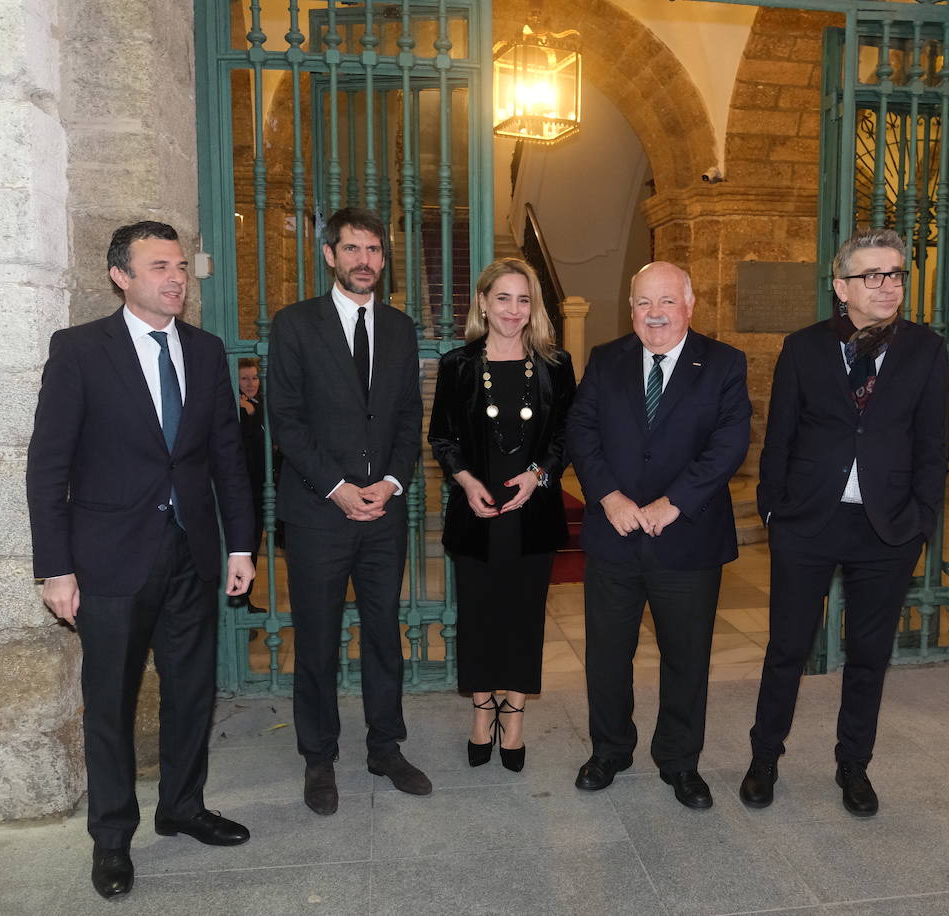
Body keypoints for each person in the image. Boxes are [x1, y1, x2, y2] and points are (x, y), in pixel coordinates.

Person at [26, 221, 256, 900]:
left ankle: (182, 807)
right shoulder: (79, 351)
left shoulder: (207, 351)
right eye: (159, 266)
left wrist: (240, 543)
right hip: (107, 563)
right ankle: (112, 840)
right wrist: (55, 567)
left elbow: (227, 460)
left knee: (190, 692)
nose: (176, 278)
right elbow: (48, 467)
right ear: (120, 276)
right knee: (109, 705)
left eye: (181, 265)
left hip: (192, 554)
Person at [740, 227, 948, 817]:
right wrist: (774, 510)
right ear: (841, 288)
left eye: (896, 274)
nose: (888, 286)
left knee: (868, 653)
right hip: (808, 520)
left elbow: (932, 444)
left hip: (888, 527)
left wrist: (921, 520)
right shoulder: (803, 347)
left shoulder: (925, 349)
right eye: (872, 276)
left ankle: (853, 765)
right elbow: (778, 436)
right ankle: (764, 758)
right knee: (786, 647)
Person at [568, 261, 751, 810]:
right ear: (631, 309)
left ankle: (679, 761)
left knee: (686, 658)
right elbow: (580, 430)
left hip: (687, 537)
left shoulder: (723, 363)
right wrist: (609, 496)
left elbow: (730, 442)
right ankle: (610, 751)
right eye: (644, 303)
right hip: (615, 534)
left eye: (667, 301)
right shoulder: (606, 360)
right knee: (606, 654)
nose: (655, 314)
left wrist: (676, 502)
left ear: (690, 305)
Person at [266, 206, 429, 816]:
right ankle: (319, 757)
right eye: (353, 249)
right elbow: (285, 419)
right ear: (330, 255)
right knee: (318, 640)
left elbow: (409, 416)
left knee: (384, 636)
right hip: (317, 513)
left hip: (383, 515)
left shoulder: (401, 327)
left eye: (375, 251)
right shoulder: (295, 325)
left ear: (384, 260)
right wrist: (337, 486)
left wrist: (390, 483)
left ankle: (386, 747)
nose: (365, 261)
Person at [428, 258, 576, 773]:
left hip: (531, 513)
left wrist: (538, 475)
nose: (513, 310)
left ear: (532, 306)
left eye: (523, 299)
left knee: (523, 617)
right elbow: (441, 437)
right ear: (484, 303)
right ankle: (481, 709)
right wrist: (466, 482)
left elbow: (564, 437)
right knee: (479, 617)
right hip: (477, 513)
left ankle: (513, 714)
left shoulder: (556, 365)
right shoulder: (458, 365)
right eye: (504, 298)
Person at [232, 357, 268, 616]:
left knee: (253, 544)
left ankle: (245, 601)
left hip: (262, 486)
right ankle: (238, 604)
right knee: (242, 545)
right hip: (242, 487)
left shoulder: (261, 405)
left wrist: (254, 414)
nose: (251, 383)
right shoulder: (232, 409)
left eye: (254, 377)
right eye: (245, 378)